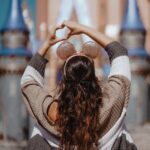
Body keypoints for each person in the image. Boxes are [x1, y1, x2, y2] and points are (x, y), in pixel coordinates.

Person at [21, 21, 137, 150]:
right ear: (94, 78)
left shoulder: (50, 111)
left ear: (63, 81)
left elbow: (28, 80)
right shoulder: (112, 102)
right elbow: (119, 52)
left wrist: (47, 44)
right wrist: (83, 29)